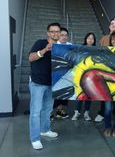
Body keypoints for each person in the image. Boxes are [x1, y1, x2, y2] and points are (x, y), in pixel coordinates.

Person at [28, 22, 60, 150]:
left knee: (47, 109)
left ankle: (45, 130)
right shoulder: (40, 43)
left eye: (57, 31)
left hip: (51, 84)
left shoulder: (61, 47)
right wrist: (45, 50)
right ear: (48, 33)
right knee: (35, 112)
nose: (55, 33)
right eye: (52, 31)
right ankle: (35, 138)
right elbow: (31, 57)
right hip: (37, 83)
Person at [94, 17, 115, 123]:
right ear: (109, 26)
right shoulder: (104, 39)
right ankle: (102, 113)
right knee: (105, 93)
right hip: (106, 70)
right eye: (112, 23)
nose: (114, 25)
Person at [71, 32, 96, 121]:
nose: (90, 40)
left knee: (89, 95)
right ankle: (77, 112)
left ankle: (86, 113)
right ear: (85, 39)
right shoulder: (80, 49)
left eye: (92, 38)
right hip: (80, 74)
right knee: (80, 95)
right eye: (88, 38)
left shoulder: (96, 50)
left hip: (91, 76)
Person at [103, 32, 115, 137]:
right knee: (108, 108)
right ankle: (107, 126)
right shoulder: (107, 52)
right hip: (107, 85)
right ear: (110, 41)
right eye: (113, 39)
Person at [53, 27, 71, 119]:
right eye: (62, 35)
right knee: (55, 94)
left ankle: (60, 111)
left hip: (67, 74)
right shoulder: (54, 45)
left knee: (64, 94)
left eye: (66, 35)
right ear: (58, 35)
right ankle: (50, 113)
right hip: (56, 74)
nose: (64, 37)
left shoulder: (71, 46)